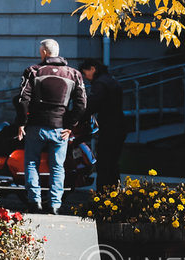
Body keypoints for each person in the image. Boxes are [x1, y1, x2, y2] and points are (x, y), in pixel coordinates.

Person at [15, 39, 87, 214]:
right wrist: (70, 125)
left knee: (32, 163)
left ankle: (35, 202)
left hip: (36, 127)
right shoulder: (74, 74)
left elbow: (22, 99)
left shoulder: (33, 71)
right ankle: (54, 205)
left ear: (44, 53)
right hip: (60, 128)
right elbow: (82, 104)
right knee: (57, 167)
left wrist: (21, 123)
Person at [79, 58, 127, 190]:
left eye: (85, 73)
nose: (85, 77)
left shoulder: (100, 84)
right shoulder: (110, 80)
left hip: (110, 126)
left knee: (104, 164)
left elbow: (92, 105)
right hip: (118, 124)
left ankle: (102, 195)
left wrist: (77, 117)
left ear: (93, 69)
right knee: (112, 163)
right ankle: (114, 194)